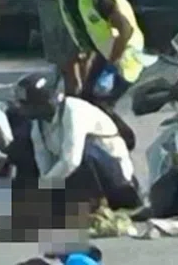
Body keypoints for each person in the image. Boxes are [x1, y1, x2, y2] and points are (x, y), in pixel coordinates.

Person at [10, 72, 142, 226]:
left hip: (115, 176)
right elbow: (44, 166)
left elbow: (71, 161)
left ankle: (99, 203)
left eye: (25, 105)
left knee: (85, 151)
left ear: (42, 103)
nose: (22, 110)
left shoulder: (73, 110)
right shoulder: (37, 127)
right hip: (78, 178)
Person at [29, 0, 147, 106]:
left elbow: (125, 29)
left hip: (126, 57)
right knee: (85, 100)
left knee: (102, 107)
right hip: (105, 55)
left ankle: (124, 132)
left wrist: (112, 65)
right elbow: (88, 35)